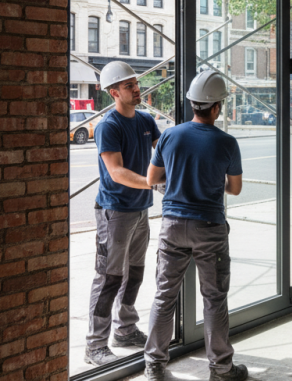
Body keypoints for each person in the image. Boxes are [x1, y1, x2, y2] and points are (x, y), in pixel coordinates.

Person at [143, 71, 246, 381]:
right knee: (214, 299)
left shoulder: (171, 135)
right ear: (216, 107)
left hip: (173, 225)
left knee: (164, 296)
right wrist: (213, 183)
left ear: (191, 103)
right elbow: (235, 188)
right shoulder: (227, 143)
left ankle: (154, 366)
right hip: (209, 227)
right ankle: (221, 370)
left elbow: (152, 180)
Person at [85, 61, 161, 365]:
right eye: (129, 85)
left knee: (135, 274)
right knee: (109, 278)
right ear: (114, 92)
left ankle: (125, 329)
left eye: (136, 83)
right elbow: (115, 171)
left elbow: (164, 151)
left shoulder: (145, 121)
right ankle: (94, 346)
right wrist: (151, 183)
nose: (136, 88)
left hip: (140, 211)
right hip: (114, 213)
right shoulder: (108, 126)